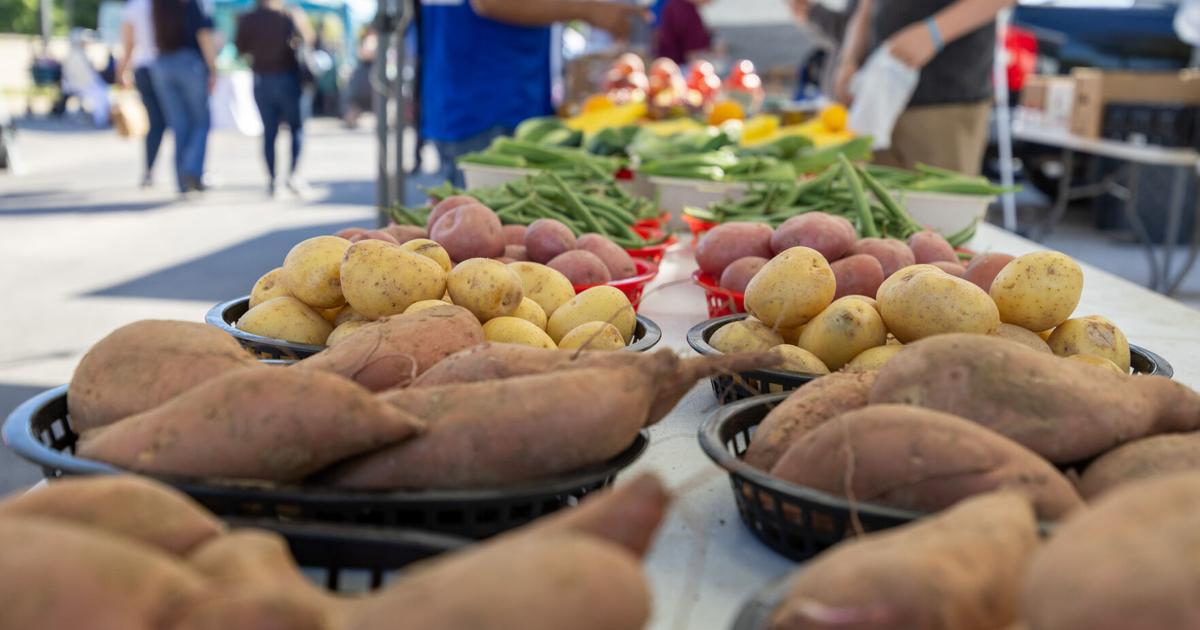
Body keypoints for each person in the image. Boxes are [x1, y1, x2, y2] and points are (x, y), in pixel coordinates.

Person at [420, 0, 648, 186]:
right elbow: (489, 3)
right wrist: (588, 10)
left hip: (465, 97)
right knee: (488, 218)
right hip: (491, 104)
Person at [834, 0, 1014, 175]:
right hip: (876, 101)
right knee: (871, 191)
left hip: (945, 102)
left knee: (940, 194)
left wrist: (934, 32)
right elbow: (865, 8)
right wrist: (849, 59)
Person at [235, 0, 314, 196]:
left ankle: (273, 180)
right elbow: (307, 40)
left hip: (262, 79)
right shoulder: (288, 15)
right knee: (296, 128)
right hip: (287, 78)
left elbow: (240, 49)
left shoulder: (248, 19)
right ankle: (293, 175)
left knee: (269, 132)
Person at [150, 0, 217, 195]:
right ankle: (192, 169)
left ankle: (182, 180)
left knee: (179, 124)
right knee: (201, 121)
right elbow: (204, 34)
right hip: (189, 62)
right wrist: (213, 68)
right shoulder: (194, 3)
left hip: (162, 64)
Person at [116, 0, 167, 188]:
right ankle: (188, 169)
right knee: (181, 122)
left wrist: (121, 72)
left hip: (145, 68)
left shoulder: (134, 7)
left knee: (155, 123)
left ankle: (149, 170)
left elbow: (128, 45)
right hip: (167, 65)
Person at [655, 0, 713, 65]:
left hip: (666, 62)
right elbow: (693, 54)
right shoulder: (688, 13)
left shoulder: (672, 4)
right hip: (679, 64)